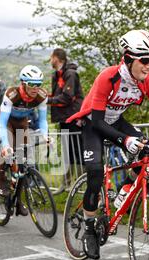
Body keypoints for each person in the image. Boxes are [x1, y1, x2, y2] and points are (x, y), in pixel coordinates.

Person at [66, 30, 149, 260]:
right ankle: (89, 228)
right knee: (96, 174)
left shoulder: (148, 81)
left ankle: (123, 193)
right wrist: (125, 140)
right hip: (93, 124)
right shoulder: (108, 77)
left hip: (116, 121)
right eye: (145, 60)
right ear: (128, 58)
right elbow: (97, 121)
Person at [0, 65, 49, 216]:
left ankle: (18, 201)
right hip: (6, 122)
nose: (35, 88)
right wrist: (6, 146)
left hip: (22, 122)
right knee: (9, 149)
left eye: (38, 84)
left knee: (22, 165)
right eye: (32, 84)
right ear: (23, 83)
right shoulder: (12, 94)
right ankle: (0, 178)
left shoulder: (42, 96)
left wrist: (45, 135)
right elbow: (1, 123)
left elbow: (43, 120)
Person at [48, 48, 85, 182]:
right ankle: (67, 183)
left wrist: (48, 100)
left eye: (51, 57)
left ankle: (81, 182)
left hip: (74, 118)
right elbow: (57, 95)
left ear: (57, 58)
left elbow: (67, 97)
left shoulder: (70, 74)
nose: (50, 60)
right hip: (63, 118)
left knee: (78, 151)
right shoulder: (56, 75)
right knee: (67, 151)